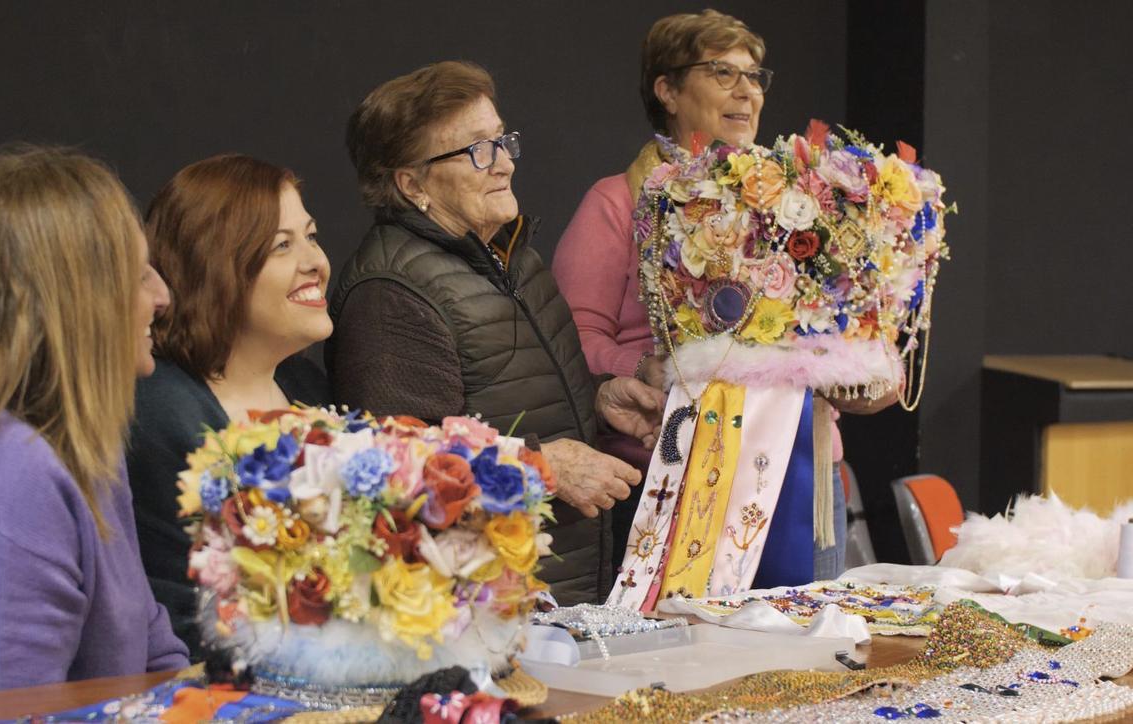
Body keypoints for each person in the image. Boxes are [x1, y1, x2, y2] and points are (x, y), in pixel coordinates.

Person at [554, 10, 896, 599]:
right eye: (721, 72)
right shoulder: (616, 203)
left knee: (807, 668)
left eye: (754, 76)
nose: (746, 91)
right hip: (673, 474)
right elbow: (568, 344)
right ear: (667, 89)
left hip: (801, 478)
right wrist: (647, 369)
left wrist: (858, 371)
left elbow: (861, 335)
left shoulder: (806, 204)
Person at [327, 61, 664, 606]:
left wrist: (598, 398)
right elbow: (402, 470)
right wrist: (543, 466)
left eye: (501, 140)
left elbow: (505, 394)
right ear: (412, 184)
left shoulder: (510, 253)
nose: (504, 163)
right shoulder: (389, 292)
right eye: (477, 150)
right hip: (485, 610)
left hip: (560, 589)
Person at [0, 146, 186, 695]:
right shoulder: (4, 478)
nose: (163, 296)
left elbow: (154, 654)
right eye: (140, 273)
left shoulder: (87, 448)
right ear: (77, 302)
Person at [128, 155, 333, 657]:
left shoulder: (307, 385)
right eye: (282, 245)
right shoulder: (163, 414)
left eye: (311, 235)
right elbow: (183, 610)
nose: (315, 261)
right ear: (217, 269)